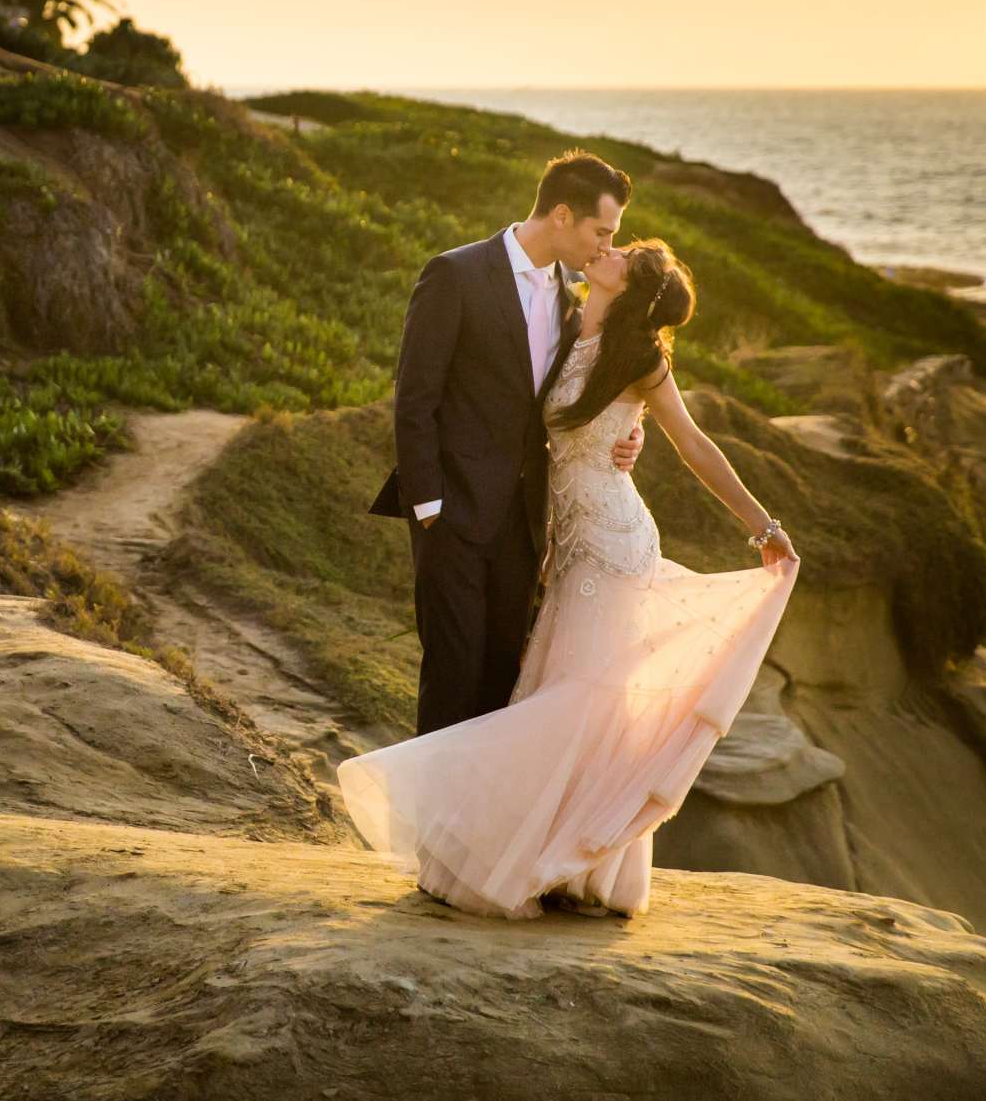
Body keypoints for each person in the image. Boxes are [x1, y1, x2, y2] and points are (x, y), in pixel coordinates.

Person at [340, 235, 802, 920]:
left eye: (623, 252)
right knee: (559, 692)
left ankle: (561, 861)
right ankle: (561, 866)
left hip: (613, 544)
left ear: (631, 286)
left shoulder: (640, 359)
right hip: (560, 541)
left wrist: (763, 527)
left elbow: (695, 443)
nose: (606, 249)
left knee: (581, 703)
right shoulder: (558, 324)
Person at [367, 150, 647, 737]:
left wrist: (630, 429)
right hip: (451, 515)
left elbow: (569, 396)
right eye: (603, 232)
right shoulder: (456, 274)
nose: (605, 246)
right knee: (452, 674)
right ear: (563, 215)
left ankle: (479, 828)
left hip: (523, 526)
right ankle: (427, 828)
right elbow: (416, 398)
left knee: (502, 681)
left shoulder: (572, 300)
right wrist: (428, 509)